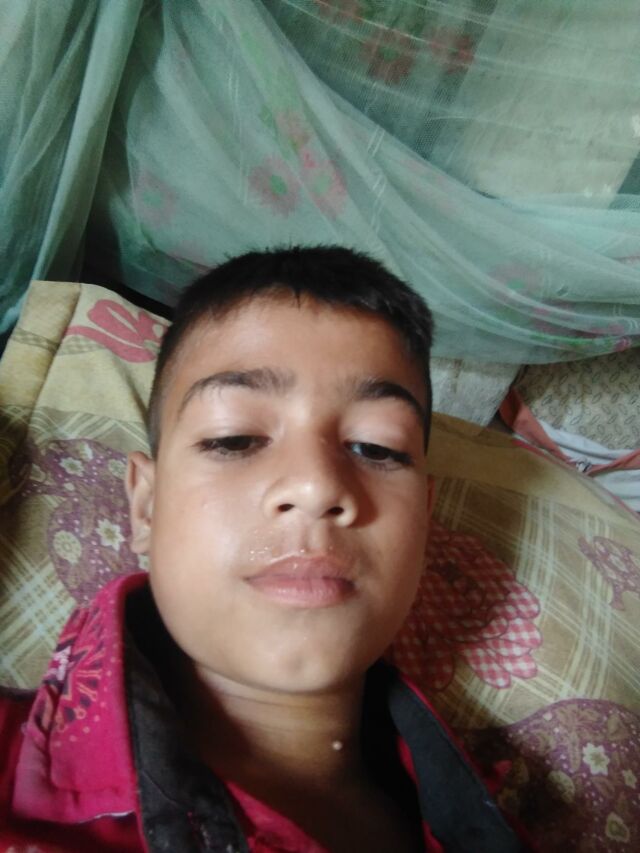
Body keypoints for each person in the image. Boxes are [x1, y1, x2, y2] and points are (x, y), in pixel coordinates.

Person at [0, 247, 526, 851]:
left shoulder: (496, 811)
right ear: (146, 505)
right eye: (236, 438)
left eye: (376, 447)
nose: (316, 486)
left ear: (425, 524)